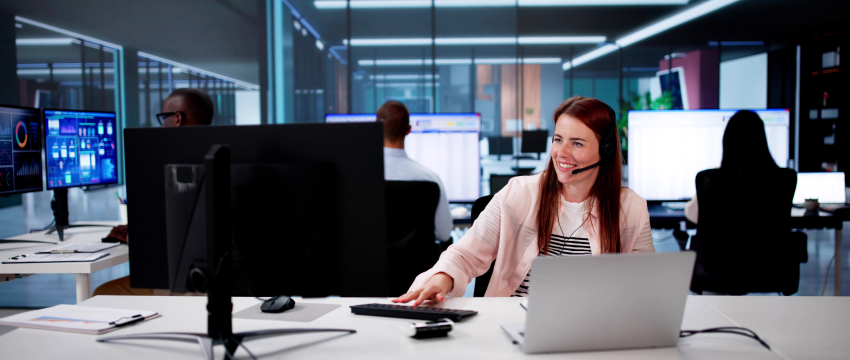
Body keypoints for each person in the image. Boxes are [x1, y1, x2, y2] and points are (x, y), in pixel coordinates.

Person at [393, 97, 654, 305]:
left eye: (576, 143)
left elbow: (647, 285)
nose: (561, 153)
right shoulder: (519, 193)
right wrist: (440, 279)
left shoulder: (630, 209)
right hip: (514, 320)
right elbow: (465, 254)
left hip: (590, 327)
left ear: (605, 151)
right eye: (558, 139)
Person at [92, 88, 214, 297]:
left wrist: (135, 237)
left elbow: (178, 241)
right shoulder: (219, 153)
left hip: (190, 283)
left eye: (163, 117)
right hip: (223, 279)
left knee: (104, 294)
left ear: (176, 119)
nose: (162, 124)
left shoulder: (180, 163)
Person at [684, 110, 778, 224]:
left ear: (727, 142)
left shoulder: (714, 178)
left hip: (722, 242)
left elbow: (693, 214)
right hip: (766, 242)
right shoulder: (779, 178)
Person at [379, 100, 453, 242]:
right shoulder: (430, 179)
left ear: (377, 128)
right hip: (418, 263)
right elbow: (444, 234)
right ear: (408, 130)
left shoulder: (361, 180)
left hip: (370, 262)